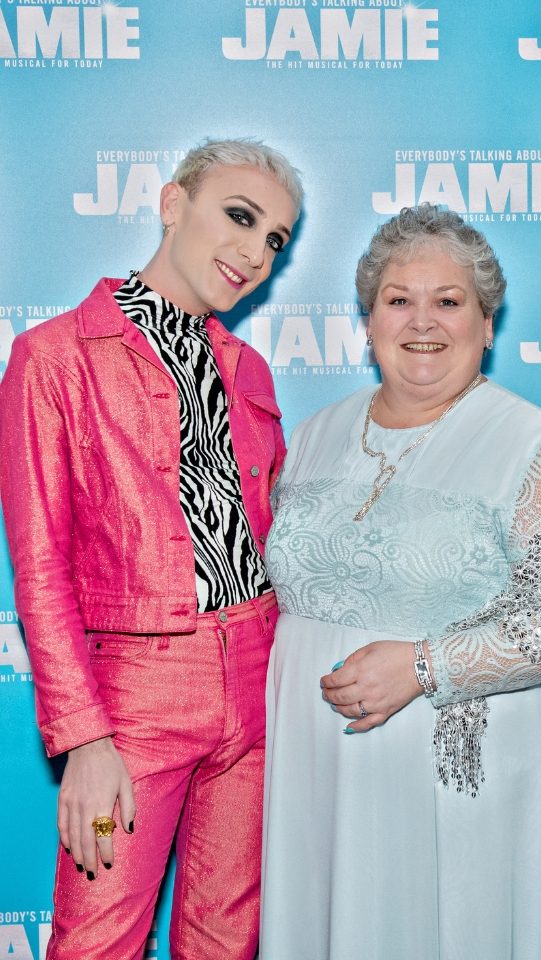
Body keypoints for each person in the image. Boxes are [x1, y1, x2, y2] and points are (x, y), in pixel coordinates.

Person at [260, 204, 541, 960]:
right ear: (369, 317)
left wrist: (424, 667)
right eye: (398, 299)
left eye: (449, 301)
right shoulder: (315, 434)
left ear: (487, 323)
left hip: (469, 785)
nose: (423, 322)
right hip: (321, 778)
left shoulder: (531, 443)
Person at [0, 138, 302, 960]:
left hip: (257, 688)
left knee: (225, 940)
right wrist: (83, 740)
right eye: (240, 217)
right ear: (173, 205)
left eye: (275, 238)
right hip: (131, 707)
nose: (254, 252)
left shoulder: (250, 371)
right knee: (97, 937)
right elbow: (39, 565)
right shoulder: (53, 358)